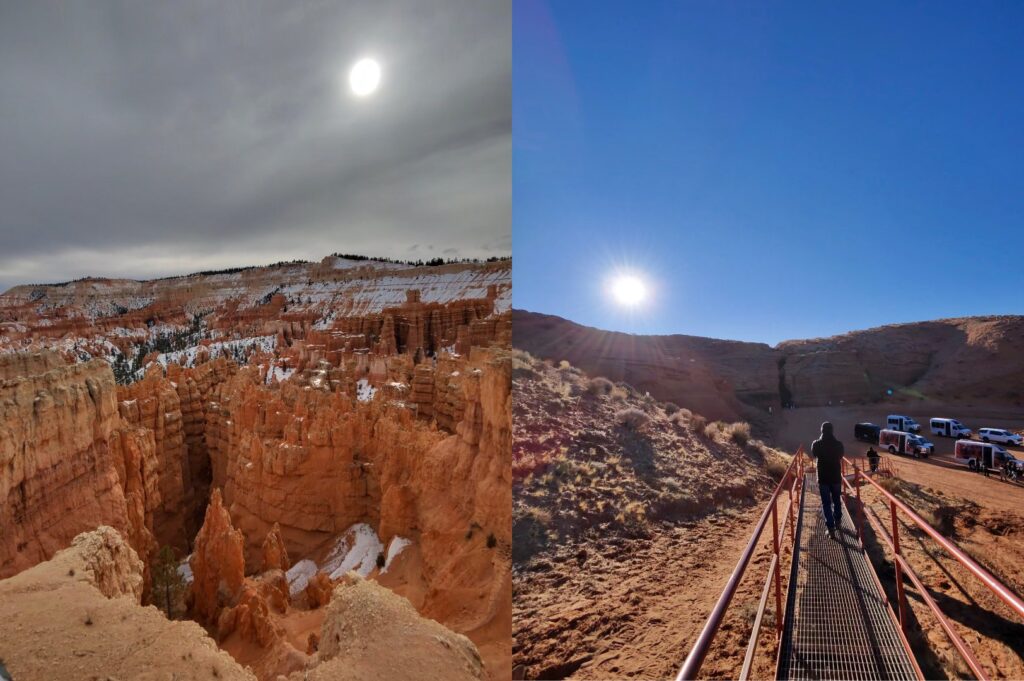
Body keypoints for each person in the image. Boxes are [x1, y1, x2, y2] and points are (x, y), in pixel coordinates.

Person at [811, 421, 845, 539]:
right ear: (832, 430)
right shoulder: (839, 444)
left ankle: (831, 529)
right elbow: (841, 455)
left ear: (822, 430)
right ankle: (838, 521)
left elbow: (814, 453)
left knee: (826, 503)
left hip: (823, 478)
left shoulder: (816, 444)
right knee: (836, 500)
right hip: (835, 477)